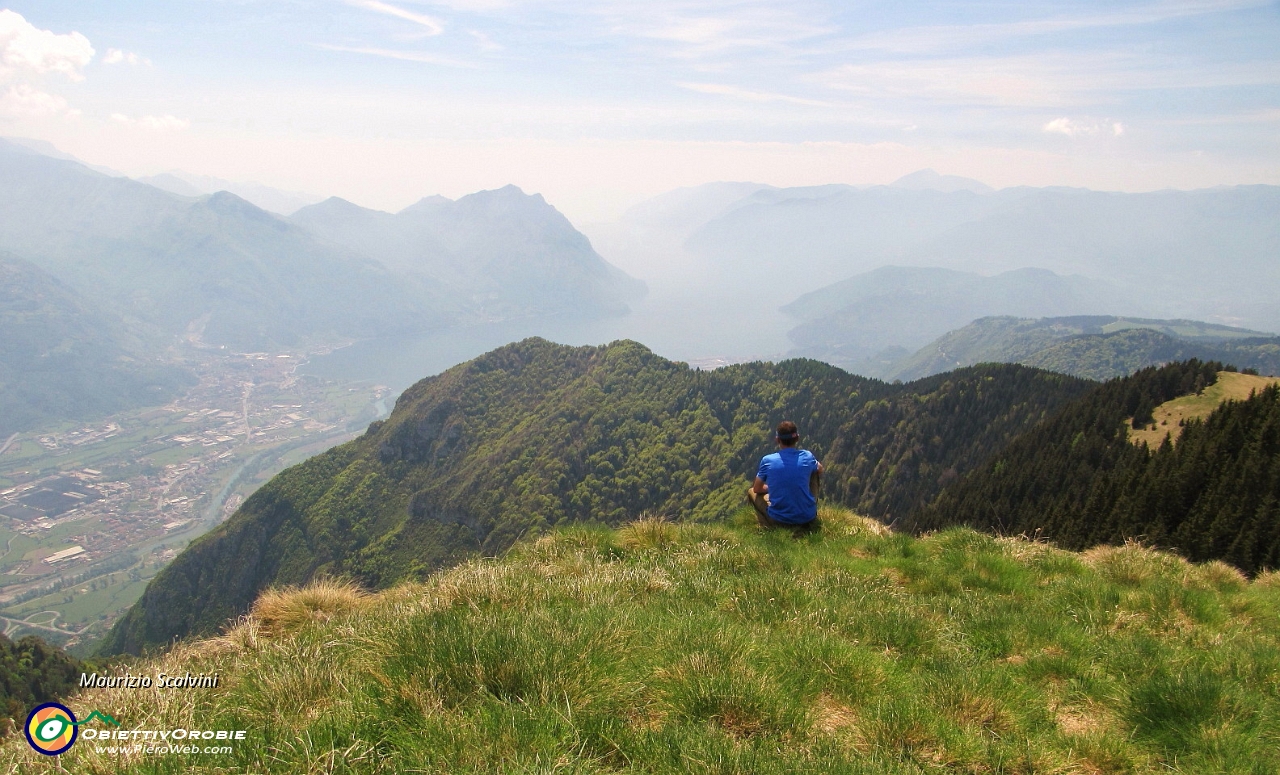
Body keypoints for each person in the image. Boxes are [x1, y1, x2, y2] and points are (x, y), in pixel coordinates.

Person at [747, 420, 823, 530]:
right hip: (808, 517)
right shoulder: (807, 456)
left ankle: (763, 526)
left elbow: (757, 488)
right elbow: (820, 469)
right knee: (813, 470)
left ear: (777, 439)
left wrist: (774, 487)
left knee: (751, 491)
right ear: (797, 438)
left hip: (779, 520)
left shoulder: (768, 460)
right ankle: (808, 505)